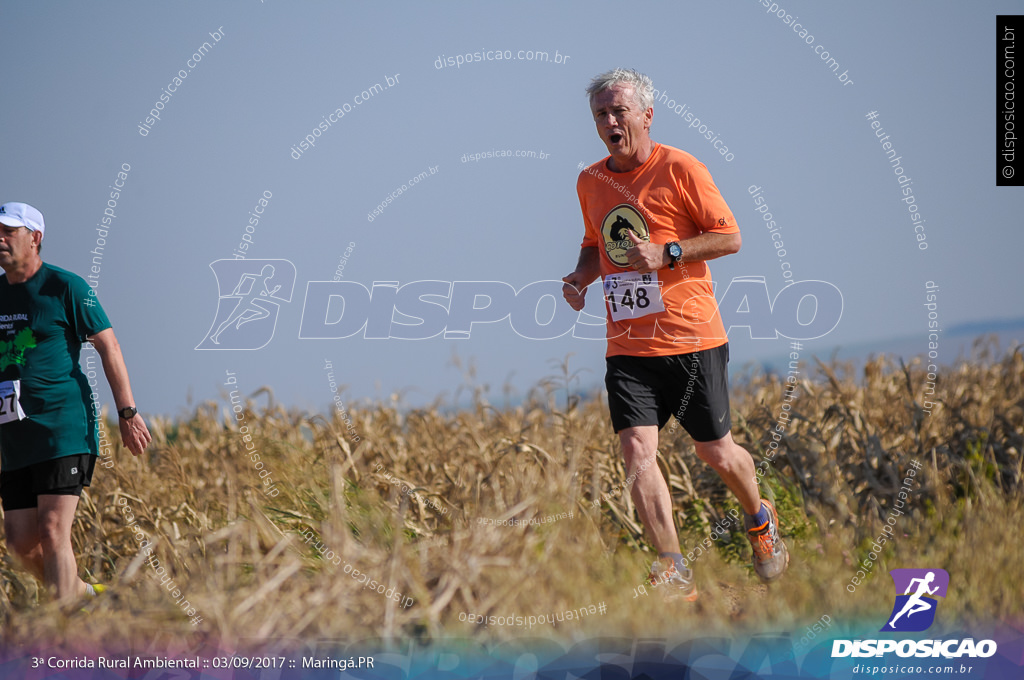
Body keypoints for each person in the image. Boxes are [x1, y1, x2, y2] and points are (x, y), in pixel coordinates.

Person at [561, 69, 788, 599]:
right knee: (638, 451)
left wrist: (668, 253)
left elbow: (729, 236)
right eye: (601, 114)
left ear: (646, 115)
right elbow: (596, 243)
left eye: (620, 111)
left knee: (717, 454)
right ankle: (671, 563)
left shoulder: (681, 167)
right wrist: (580, 276)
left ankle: (760, 519)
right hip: (628, 345)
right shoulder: (590, 181)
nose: (611, 121)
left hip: (691, 339)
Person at [0, 201, 151, 603]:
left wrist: (127, 412)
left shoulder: (65, 287)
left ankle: (63, 628)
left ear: (35, 238)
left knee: (52, 531)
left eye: (8, 231)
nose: (0, 239)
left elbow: (109, 346)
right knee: (20, 544)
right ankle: (86, 596)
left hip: (63, 430)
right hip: (14, 439)